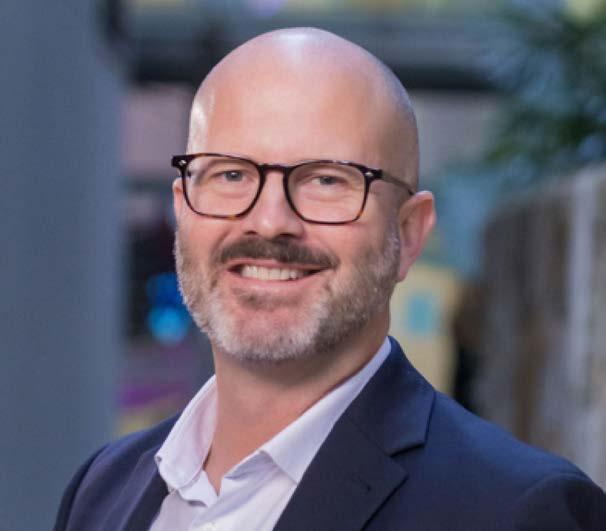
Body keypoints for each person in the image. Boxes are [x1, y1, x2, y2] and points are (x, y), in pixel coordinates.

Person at [54, 28, 606, 531]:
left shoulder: (517, 512)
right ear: (183, 207)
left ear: (409, 233)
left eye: (326, 180)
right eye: (230, 173)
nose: (269, 221)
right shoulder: (102, 491)